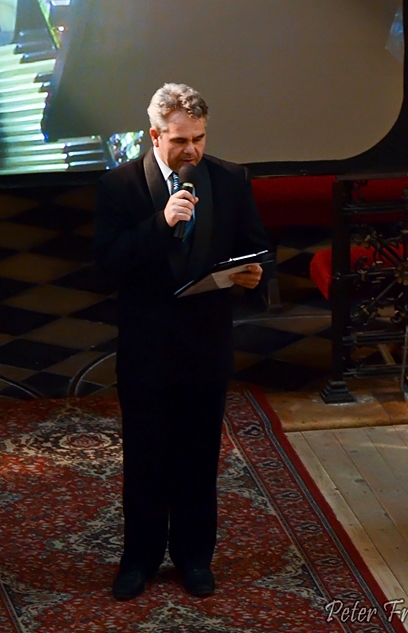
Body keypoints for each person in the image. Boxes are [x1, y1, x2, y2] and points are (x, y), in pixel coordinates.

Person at [94, 82, 269, 600]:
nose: (192, 150)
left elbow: (256, 247)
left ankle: (195, 558)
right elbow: (106, 263)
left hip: (205, 346)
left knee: (198, 457)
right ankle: (139, 560)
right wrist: (161, 223)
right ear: (154, 136)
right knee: (146, 458)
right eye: (179, 141)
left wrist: (253, 276)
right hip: (147, 348)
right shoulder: (120, 186)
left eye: (199, 138)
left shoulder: (230, 179)